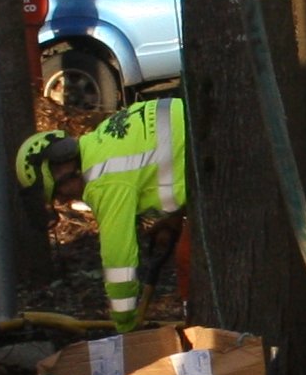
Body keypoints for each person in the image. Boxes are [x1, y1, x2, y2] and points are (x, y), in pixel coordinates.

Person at [19, 94, 189, 324]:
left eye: (59, 193)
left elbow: (119, 257)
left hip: (221, 157)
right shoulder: (102, 139)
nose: (65, 200)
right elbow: (168, 155)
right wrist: (174, 218)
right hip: (206, 132)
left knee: (189, 259)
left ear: (61, 169)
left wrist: (124, 321)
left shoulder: (102, 179)